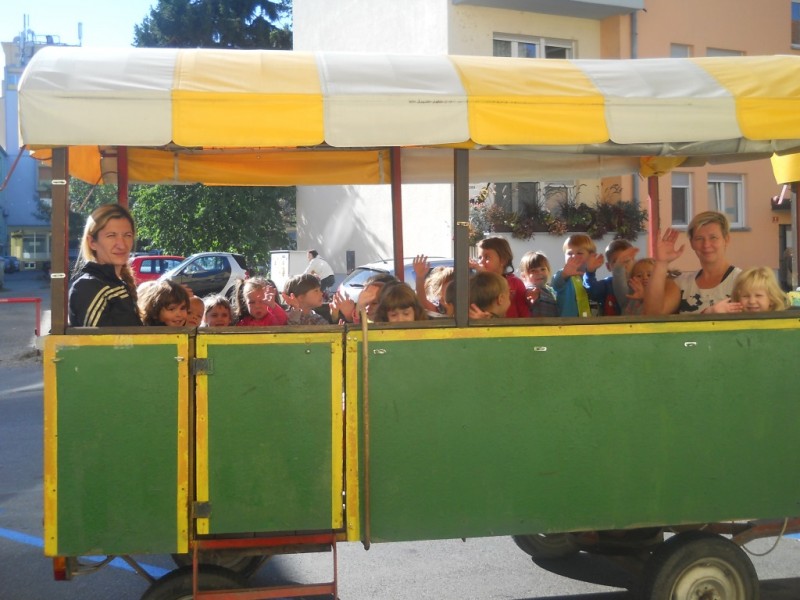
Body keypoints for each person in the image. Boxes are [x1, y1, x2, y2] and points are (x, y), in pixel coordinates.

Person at [644, 211, 742, 315]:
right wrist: (661, 263)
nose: (706, 245)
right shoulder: (682, 283)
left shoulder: (742, 281)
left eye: (713, 237)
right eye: (699, 238)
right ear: (691, 243)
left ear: (726, 239)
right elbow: (652, 314)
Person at [68, 204, 142, 327]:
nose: (122, 245)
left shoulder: (117, 283)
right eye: (111, 236)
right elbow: (98, 340)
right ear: (92, 242)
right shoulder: (88, 287)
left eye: (127, 235)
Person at [471, 237, 527, 317]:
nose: (481, 262)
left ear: (503, 260)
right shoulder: (478, 283)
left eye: (487, 257)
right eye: (480, 257)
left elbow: (524, 312)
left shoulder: (515, 283)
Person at [552, 233, 604, 317]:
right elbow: (555, 284)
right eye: (569, 253)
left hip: (589, 323)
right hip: (568, 323)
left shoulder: (590, 277)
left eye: (579, 253)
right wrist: (564, 274)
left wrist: (591, 271)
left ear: (590, 256)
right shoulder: (564, 274)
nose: (574, 256)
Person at [585, 239, 634, 316]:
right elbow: (591, 292)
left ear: (633, 261)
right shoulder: (606, 285)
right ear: (608, 266)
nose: (621, 266)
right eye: (616, 262)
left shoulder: (639, 284)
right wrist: (590, 273)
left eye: (626, 261)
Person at [519, 251, 558, 318]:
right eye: (533, 270)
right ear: (523, 276)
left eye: (543, 269)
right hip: (536, 324)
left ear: (548, 271)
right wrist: (530, 300)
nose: (539, 273)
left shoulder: (549, 290)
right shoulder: (529, 290)